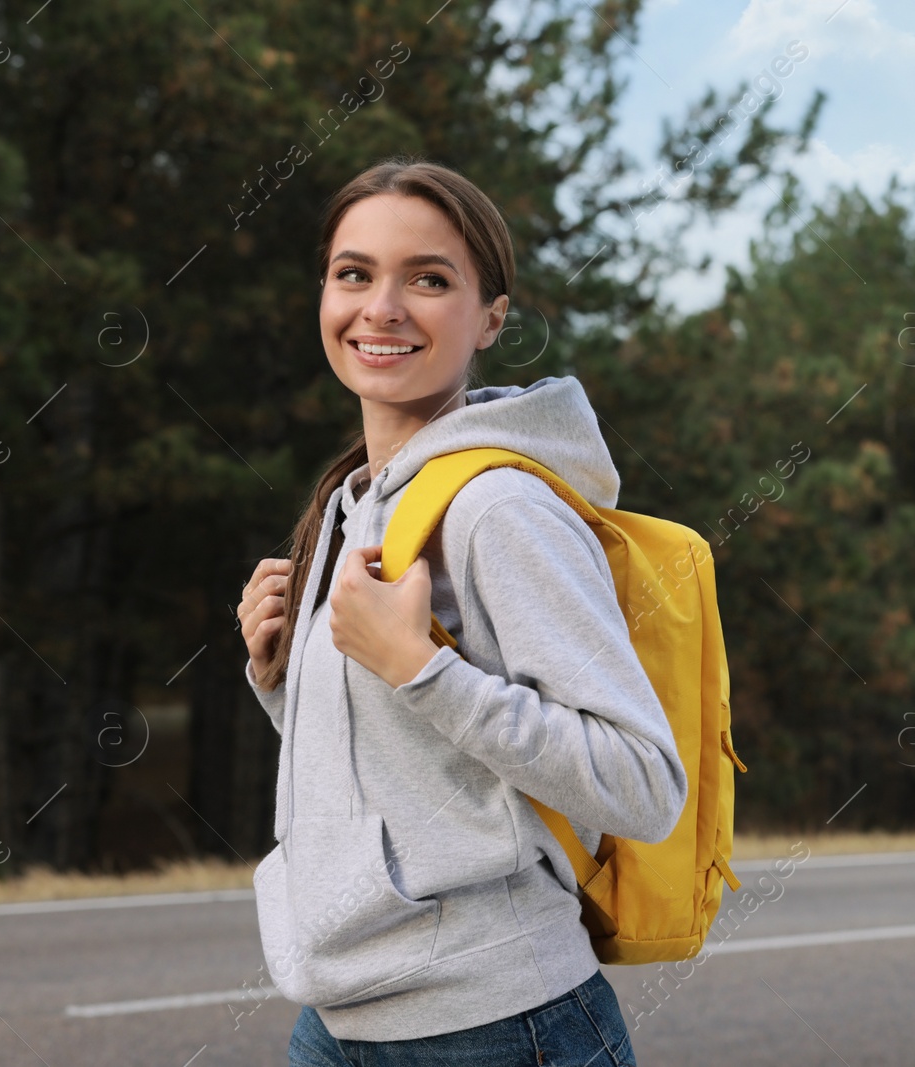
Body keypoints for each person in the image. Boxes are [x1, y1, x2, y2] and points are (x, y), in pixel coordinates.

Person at [234, 157, 686, 1066]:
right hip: (339, 1020)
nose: (383, 307)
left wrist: (419, 669)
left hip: (495, 1028)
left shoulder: (498, 511)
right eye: (354, 273)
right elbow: (408, 768)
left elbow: (643, 783)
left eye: (429, 279)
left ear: (491, 317)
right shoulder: (350, 502)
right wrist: (282, 673)